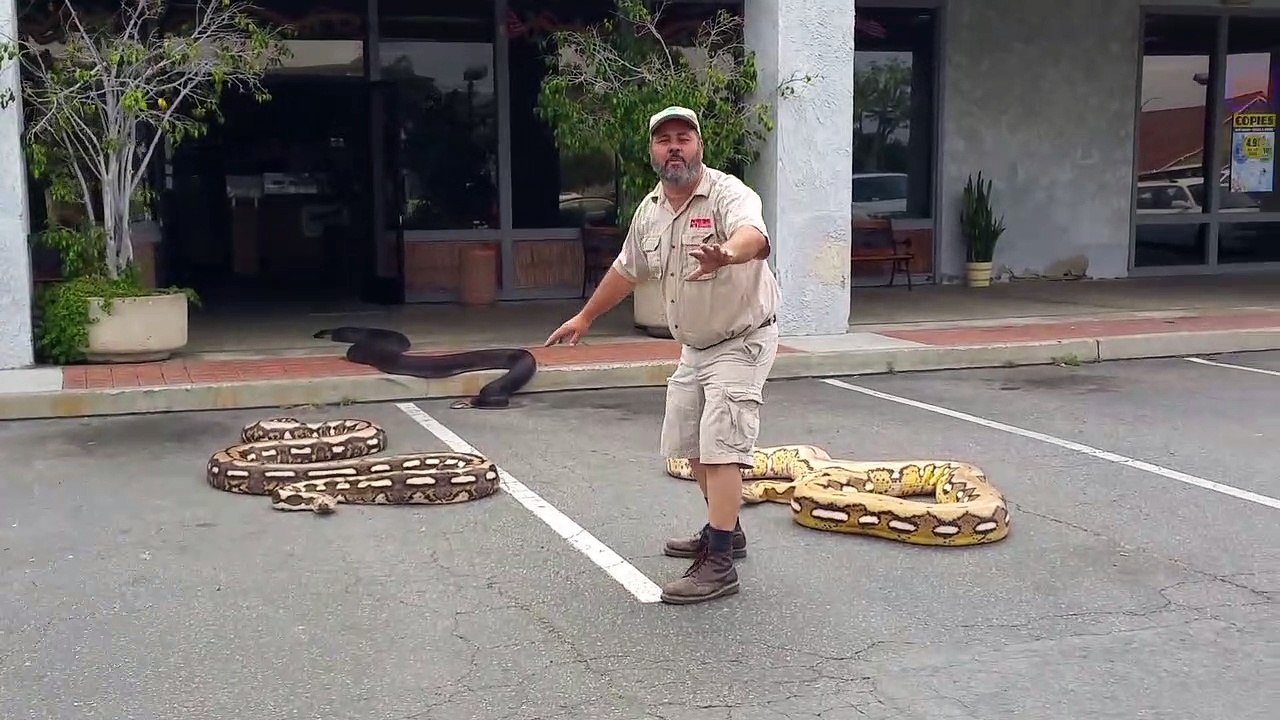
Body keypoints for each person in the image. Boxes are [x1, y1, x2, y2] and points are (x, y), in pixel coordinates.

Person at [544, 105, 780, 605]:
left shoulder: (727, 192)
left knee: (721, 445)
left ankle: (718, 564)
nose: (675, 146)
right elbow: (627, 270)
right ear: (652, 151)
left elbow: (754, 237)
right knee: (690, 445)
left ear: (699, 146)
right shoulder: (650, 208)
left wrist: (728, 253)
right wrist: (585, 318)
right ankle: (728, 531)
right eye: (664, 139)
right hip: (696, 346)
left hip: (742, 339)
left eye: (684, 137)